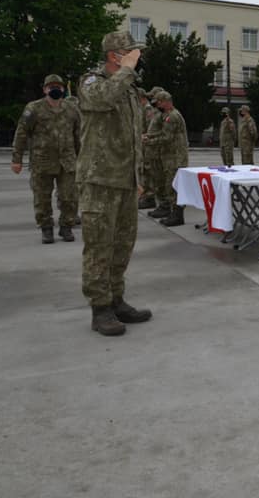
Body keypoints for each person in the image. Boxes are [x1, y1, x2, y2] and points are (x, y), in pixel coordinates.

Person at [77, 31, 153, 337]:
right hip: (100, 181)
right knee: (99, 248)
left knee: (122, 246)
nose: (137, 57)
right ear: (114, 55)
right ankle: (100, 308)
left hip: (125, 181)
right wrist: (127, 70)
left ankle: (116, 300)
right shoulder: (91, 82)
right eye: (132, 52)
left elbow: (134, 139)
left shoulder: (130, 91)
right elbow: (102, 99)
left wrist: (138, 177)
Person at [11, 74, 81, 244]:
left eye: (58, 86)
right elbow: (21, 133)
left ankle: (66, 227)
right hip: (42, 161)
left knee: (69, 197)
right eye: (51, 87)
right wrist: (16, 159)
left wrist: (81, 159)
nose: (55, 89)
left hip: (67, 162)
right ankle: (46, 229)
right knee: (42, 198)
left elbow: (78, 135)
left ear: (63, 89)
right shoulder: (34, 108)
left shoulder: (72, 109)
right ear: (44, 89)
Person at [146, 91, 189, 227]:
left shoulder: (173, 116)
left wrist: (148, 141)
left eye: (159, 102)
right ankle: (172, 211)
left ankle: (177, 215)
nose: (157, 106)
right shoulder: (168, 116)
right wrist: (149, 136)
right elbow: (164, 132)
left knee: (173, 187)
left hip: (175, 158)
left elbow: (167, 138)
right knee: (169, 186)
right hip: (170, 157)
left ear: (166, 101)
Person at [138, 86, 164, 210]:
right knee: (146, 171)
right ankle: (148, 196)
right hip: (146, 145)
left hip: (151, 146)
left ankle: (150, 197)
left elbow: (150, 129)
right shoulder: (151, 110)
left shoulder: (149, 110)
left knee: (150, 172)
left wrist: (147, 138)